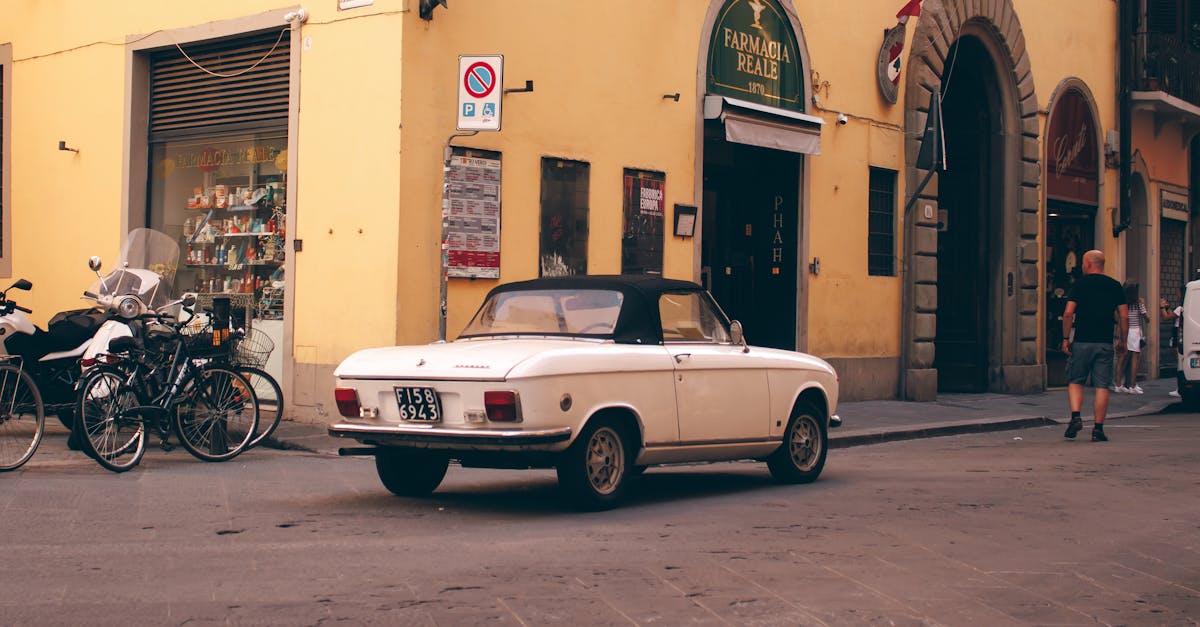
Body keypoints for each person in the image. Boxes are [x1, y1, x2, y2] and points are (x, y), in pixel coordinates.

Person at [1061, 250, 1128, 442]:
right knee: (1102, 386)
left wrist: (1066, 338)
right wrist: (1123, 340)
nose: (1082, 267)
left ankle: (1075, 416)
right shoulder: (1114, 286)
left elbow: (1068, 313)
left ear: (1088, 265)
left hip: (1082, 340)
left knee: (1075, 380)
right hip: (1104, 342)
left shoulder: (1079, 285)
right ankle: (1098, 429)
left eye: (1083, 264)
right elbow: (1123, 315)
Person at [1113, 282, 1149, 394]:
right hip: (1135, 332)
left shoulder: (1121, 303)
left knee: (1121, 359)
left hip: (1124, 331)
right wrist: (1144, 306)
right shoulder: (1139, 303)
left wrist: (1117, 337)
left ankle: (1118, 384)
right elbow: (1147, 319)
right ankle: (1132, 386)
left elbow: (1118, 320)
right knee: (1135, 360)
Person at [1162, 288, 1185, 397]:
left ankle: (1179, 388)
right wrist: (1168, 307)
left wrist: (1162, 307)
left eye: (1178, 293)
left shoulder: (1180, 308)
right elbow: (1173, 315)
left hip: (1177, 333)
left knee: (1179, 363)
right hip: (1181, 333)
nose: (1177, 295)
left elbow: (1166, 317)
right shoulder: (1183, 308)